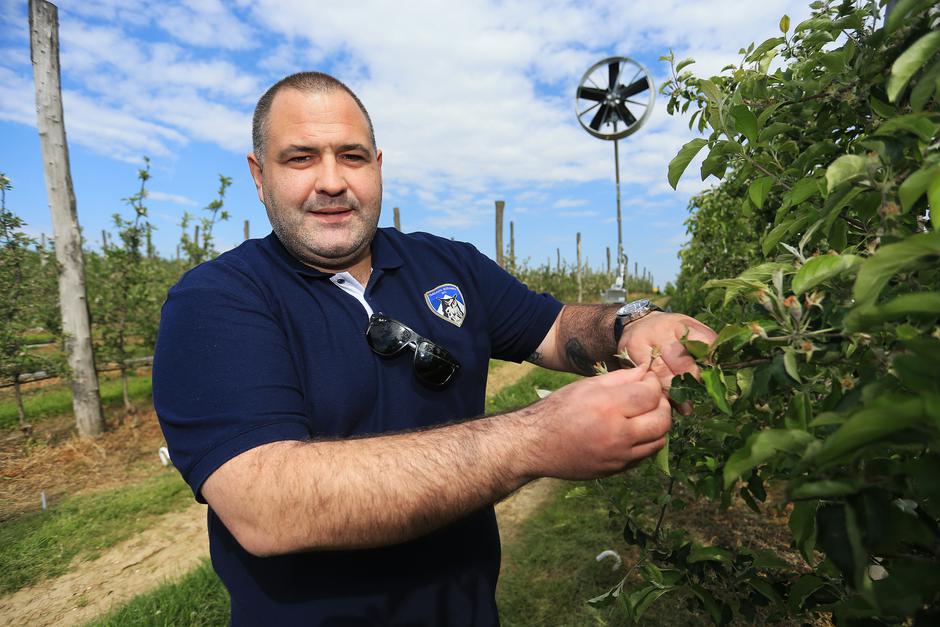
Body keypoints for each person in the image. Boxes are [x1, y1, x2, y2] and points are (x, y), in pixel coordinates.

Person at [153, 71, 716, 626]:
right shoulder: (217, 301)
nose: (330, 181)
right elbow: (266, 504)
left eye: (351, 156)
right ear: (258, 174)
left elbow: (556, 327)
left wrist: (630, 323)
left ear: (378, 165)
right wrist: (535, 439)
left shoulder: (448, 264)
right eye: (300, 158)